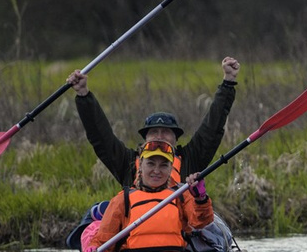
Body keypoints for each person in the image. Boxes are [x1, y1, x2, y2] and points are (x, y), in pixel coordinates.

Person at [69, 55, 239, 187]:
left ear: (176, 140)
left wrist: (228, 83)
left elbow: (213, 127)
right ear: (145, 141)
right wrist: (83, 95)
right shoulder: (127, 163)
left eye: (165, 132)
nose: (159, 137)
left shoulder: (191, 158)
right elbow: (100, 136)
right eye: (154, 132)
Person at [76, 144, 216, 252]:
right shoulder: (122, 200)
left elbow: (201, 222)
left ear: (170, 168)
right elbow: (104, 242)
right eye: (151, 163)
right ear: (140, 165)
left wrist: (200, 198)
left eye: (163, 165)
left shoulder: (181, 195)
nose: (157, 170)